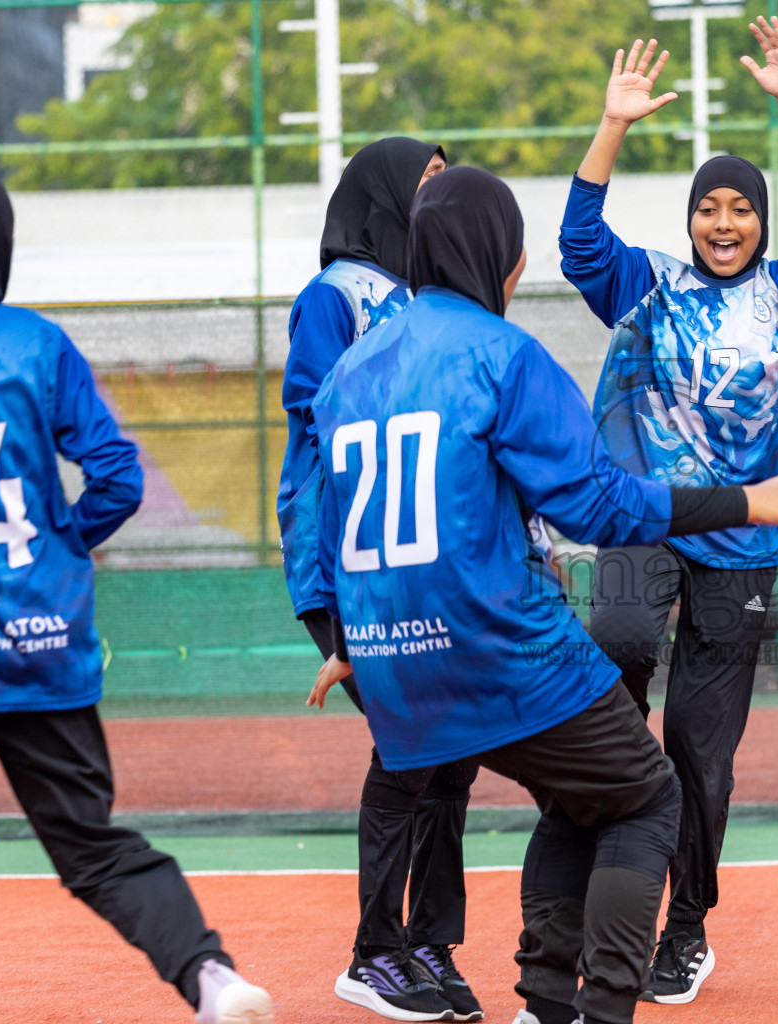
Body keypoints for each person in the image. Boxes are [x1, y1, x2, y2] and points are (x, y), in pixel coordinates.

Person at [304, 166, 778, 1024]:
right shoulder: (502, 354)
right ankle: (588, 1006)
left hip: (393, 659)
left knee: (581, 790)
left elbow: (333, 520)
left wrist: (345, 638)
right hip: (501, 647)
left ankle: (529, 996)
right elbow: (597, 502)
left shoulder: (348, 373)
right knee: (648, 793)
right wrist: (750, 501)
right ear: (500, 256)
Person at [0, 168, 273, 1024]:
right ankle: (211, 979)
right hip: (37, 639)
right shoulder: (37, 346)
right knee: (92, 848)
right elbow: (116, 477)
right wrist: (59, 547)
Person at [558, 21, 778, 1002]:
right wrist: (611, 128)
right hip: (647, 522)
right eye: (710, 208)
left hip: (743, 544)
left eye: (741, 208)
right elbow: (576, 241)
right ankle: (586, 898)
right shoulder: (647, 287)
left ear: (760, 223)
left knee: (702, 748)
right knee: (612, 676)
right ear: (690, 219)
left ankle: (684, 928)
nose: (724, 222)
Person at [275, 137, 485, 1022]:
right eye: (429, 181)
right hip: (358, 564)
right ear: (388, 195)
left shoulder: (426, 298)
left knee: (453, 757)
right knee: (411, 752)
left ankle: (428, 940)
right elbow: (322, 424)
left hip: (428, 565)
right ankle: (373, 951)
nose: (444, 195)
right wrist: (341, 612)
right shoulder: (335, 296)